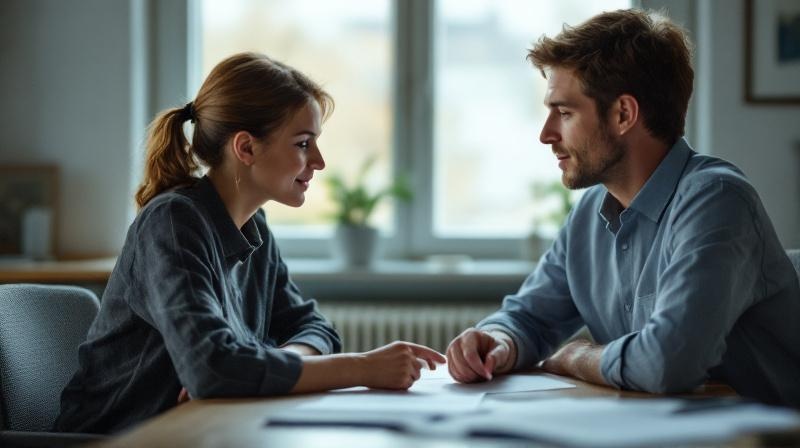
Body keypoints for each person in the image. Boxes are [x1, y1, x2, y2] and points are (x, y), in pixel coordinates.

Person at [55, 52, 445, 434]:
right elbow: (211, 369)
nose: (320, 161)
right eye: (303, 144)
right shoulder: (172, 224)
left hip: (202, 433)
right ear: (245, 148)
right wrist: (361, 367)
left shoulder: (252, 224)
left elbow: (315, 328)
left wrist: (265, 366)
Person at [446, 9, 800, 407]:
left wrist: (577, 356)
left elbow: (668, 363)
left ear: (623, 114)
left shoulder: (717, 200)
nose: (546, 134)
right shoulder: (590, 213)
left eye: (564, 113)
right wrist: (498, 341)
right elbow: (529, 317)